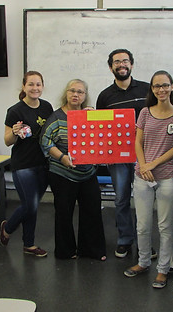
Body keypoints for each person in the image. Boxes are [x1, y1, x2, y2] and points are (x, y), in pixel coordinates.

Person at [123, 70, 173, 289]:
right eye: (157, 86)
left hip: (166, 177)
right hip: (142, 177)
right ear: (152, 89)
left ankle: (163, 269)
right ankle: (143, 262)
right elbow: (137, 142)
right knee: (142, 225)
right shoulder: (145, 113)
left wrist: (152, 164)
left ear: (171, 87)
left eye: (165, 85)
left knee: (165, 226)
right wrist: (143, 165)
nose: (161, 90)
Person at [41, 79, 106, 261]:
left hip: (88, 173)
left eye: (80, 92)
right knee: (63, 213)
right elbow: (45, 142)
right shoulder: (56, 117)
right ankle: (66, 251)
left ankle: (92, 250)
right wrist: (62, 158)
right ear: (66, 93)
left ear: (85, 96)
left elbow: (103, 136)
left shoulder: (89, 115)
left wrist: (93, 118)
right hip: (62, 173)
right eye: (72, 91)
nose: (76, 94)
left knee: (92, 212)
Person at [96, 48, 152, 258]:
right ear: (111, 67)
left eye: (125, 61)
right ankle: (125, 240)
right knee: (121, 199)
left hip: (144, 155)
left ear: (132, 64)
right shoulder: (105, 96)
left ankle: (144, 243)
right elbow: (100, 129)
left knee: (144, 199)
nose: (122, 65)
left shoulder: (148, 90)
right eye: (117, 62)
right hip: (117, 156)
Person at [0, 71, 54, 257]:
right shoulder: (15, 111)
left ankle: (28, 244)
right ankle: (7, 229)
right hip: (23, 165)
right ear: (24, 87)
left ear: (42, 86)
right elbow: (8, 141)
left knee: (33, 204)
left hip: (43, 164)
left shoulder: (47, 107)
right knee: (30, 205)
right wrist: (14, 132)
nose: (35, 88)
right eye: (31, 84)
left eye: (38, 84)